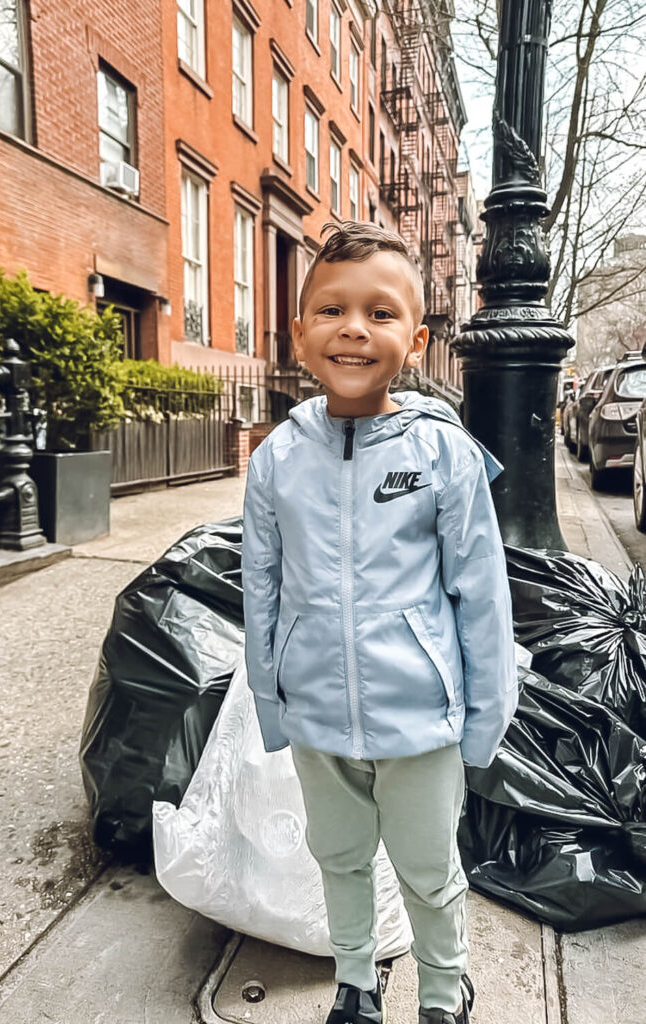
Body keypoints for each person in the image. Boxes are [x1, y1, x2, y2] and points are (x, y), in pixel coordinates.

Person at [241, 221, 518, 1024]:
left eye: (380, 313)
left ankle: (442, 987)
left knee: (428, 870)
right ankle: (356, 983)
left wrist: (483, 719)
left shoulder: (443, 454)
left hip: (420, 720)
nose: (354, 329)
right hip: (316, 714)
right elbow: (260, 586)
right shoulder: (276, 458)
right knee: (338, 858)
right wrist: (272, 702)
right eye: (332, 310)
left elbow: (481, 595)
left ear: (416, 339)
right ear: (300, 333)